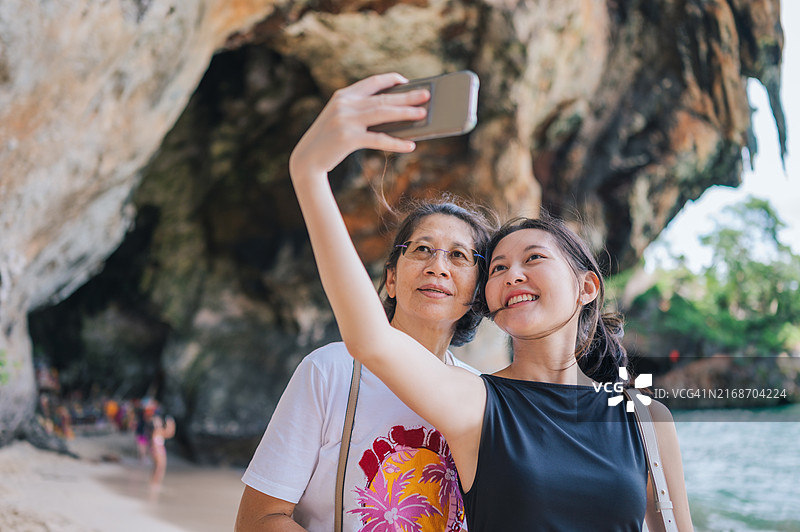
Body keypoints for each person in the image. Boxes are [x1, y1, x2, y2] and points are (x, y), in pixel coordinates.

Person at [283, 72, 694, 531]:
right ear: (490, 302)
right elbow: (371, 341)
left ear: (587, 288)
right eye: (497, 268)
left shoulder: (645, 420)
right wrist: (310, 174)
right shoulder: (476, 400)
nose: (512, 274)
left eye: (533, 258)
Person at [235, 192, 496, 531]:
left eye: (458, 255)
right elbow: (258, 519)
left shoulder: (481, 397)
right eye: (422, 249)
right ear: (391, 279)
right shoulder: (330, 370)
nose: (437, 267)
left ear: (477, 292)